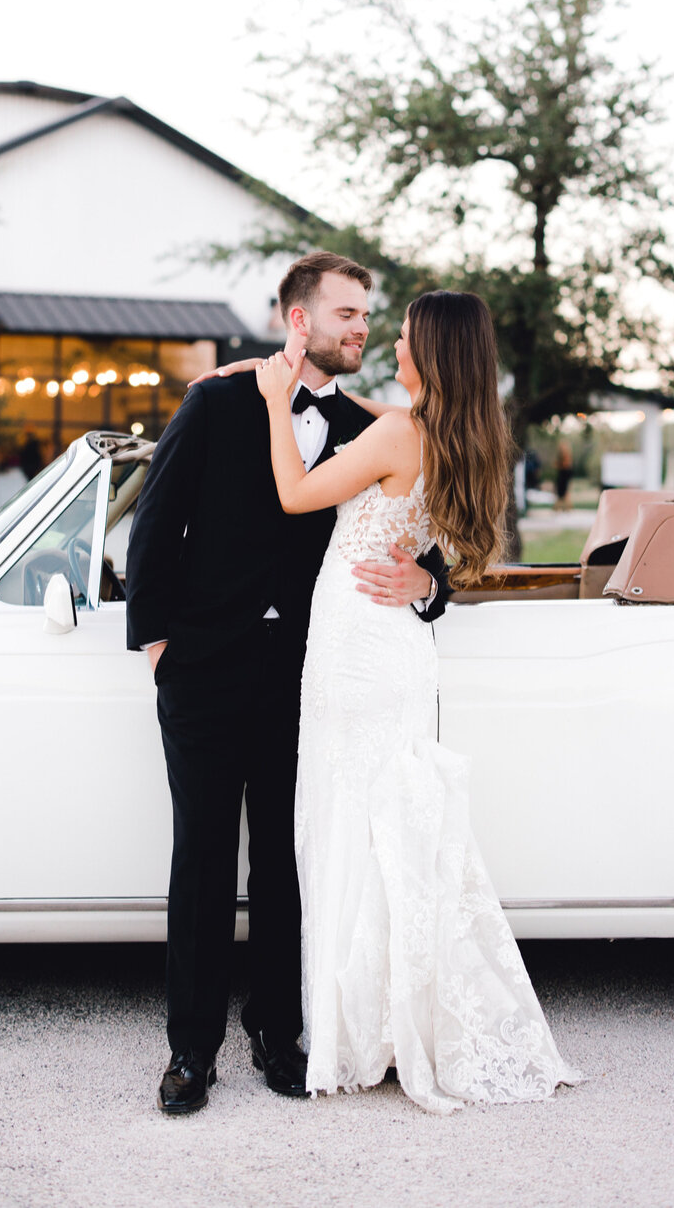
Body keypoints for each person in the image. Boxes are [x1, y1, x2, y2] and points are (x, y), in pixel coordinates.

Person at [124, 252, 450, 1115]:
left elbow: (431, 543)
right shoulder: (216, 401)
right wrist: (159, 648)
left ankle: (280, 1032)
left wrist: (431, 588)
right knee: (199, 861)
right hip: (201, 668)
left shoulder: (375, 424)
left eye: (367, 317)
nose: (362, 329)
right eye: (346, 313)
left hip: (308, 679)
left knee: (285, 860)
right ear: (296, 319)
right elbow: (154, 529)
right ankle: (191, 1052)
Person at [253, 290, 581, 1114]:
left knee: (350, 825)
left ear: (428, 352)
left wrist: (272, 401)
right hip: (396, 646)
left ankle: (362, 1025)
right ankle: (395, 1016)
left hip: (357, 649)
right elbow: (455, 544)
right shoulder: (459, 432)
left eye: (400, 336)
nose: (390, 345)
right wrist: (429, 578)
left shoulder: (399, 432)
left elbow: (295, 493)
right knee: (386, 828)